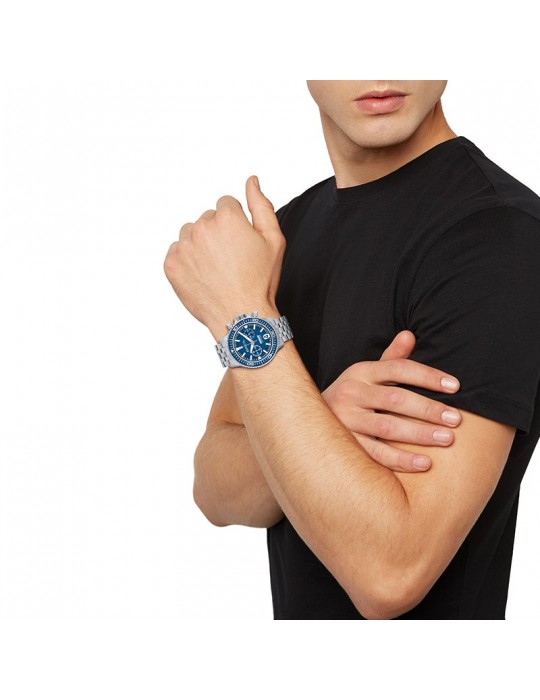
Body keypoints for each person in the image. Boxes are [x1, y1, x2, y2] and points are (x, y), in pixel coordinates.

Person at [164, 80, 540, 619]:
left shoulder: (495, 234)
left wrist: (242, 314)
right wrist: (321, 417)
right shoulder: (291, 228)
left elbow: (390, 574)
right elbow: (214, 488)